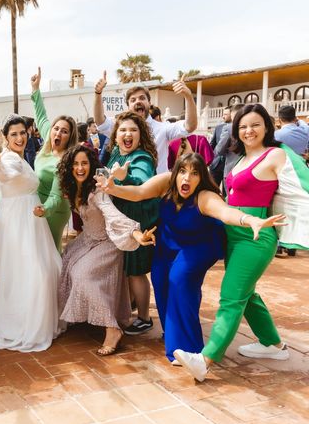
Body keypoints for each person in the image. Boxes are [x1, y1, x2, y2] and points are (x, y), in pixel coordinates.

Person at [100, 153, 284, 363]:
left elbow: (225, 213)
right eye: (183, 171)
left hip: (201, 244)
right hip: (169, 241)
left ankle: (189, 349)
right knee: (160, 281)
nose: (187, 178)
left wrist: (249, 220)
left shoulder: (204, 196)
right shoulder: (165, 182)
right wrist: (112, 188)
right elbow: (139, 192)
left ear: (201, 177)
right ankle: (172, 333)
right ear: (176, 172)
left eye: (194, 173)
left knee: (180, 278)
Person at [174, 104, 296, 382]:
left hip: (256, 234)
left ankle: (206, 360)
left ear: (267, 126)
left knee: (231, 295)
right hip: (234, 232)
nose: (248, 131)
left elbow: (300, 183)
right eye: (242, 126)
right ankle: (273, 344)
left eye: (255, 124)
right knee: (247, 293)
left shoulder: (275, 154)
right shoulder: (239, 157)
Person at [57, 145, 155, 355]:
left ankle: (112, 329)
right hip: (86, 241)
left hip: (107, 243)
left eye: (84, 163)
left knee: (82, 275)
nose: (80, 168)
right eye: (75, 164)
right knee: (64, 262)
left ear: (92, 165)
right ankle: (80, 315)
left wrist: (137, 234)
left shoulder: (97, 191)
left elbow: (113, 215)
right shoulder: (73, 187)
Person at [0, 115, 61, 352]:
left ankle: (40, 320)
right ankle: (26, 325)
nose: (19, 138)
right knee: (31, 271)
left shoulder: (22, 157)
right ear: (6, 138)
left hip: (29, 219)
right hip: (18, 221)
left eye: (22, 133)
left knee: (36, 268)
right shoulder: (9, 159)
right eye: (14, 134)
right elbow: (5, 174)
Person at [104, 111, 160, 335]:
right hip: (122, 220)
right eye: (123, 130)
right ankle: (131, 306)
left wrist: (124, 178)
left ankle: (145, 317)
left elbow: (143, 184)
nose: (128, 134)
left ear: (141, 134)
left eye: (133, 130)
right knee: (127, 269)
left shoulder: (141, 158)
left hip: (138, 221)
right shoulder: (116, 153)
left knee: (136, 271)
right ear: (116, 135)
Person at [93, 71, 198, 174]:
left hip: (157, 189)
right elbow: (100, 122)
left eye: (142, 98)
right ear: (128, 107)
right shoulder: (120, 128)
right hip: (127, 188)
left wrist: (188, 97)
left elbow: (190, 126)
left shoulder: (163, 128)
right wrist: (98, 94)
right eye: (133, 100)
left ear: (149, 103)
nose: (138, 101)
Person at [30, 67, 78, 250]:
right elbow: (41, 117)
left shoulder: (65, 160)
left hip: (55, 209)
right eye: (56, 128)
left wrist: (45, 210)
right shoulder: (49, 143)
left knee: (50, 250)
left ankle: (59, 279)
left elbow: (56, 196)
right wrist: (35, 89)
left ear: (69, 137)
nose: (58, 132)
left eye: (64, 131)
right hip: (38, 206)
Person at [209, 107, 232, 186]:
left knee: (227, 194)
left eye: (225, 114)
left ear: (232, 115)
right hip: (215, 165)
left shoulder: (238, 128)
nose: (223, 116)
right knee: (211, 189)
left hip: (230, 165)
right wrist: (210, 160)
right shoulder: (218, 127)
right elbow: (212, 144)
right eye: (223, 114)